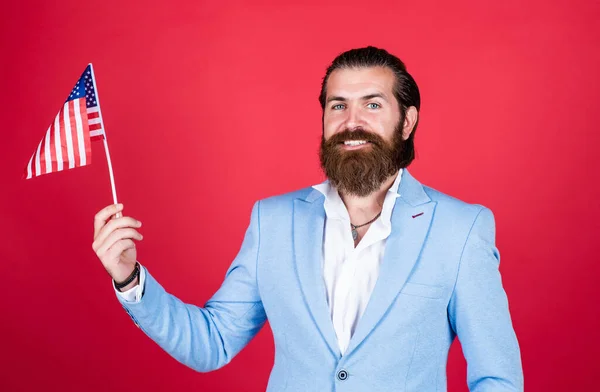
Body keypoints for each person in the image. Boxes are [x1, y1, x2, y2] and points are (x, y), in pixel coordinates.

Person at [92, 46, 523, 391]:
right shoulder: (272, 221)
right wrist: (130, 280)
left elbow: (498, 377)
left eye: (372, 105)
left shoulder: (461, 229)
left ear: (407, 121)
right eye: (338, 106)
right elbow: (213, 343)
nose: (352, 121)